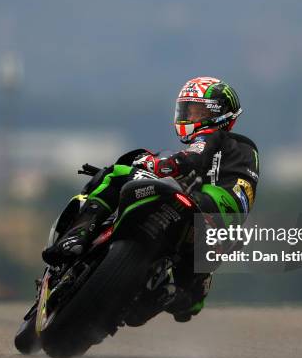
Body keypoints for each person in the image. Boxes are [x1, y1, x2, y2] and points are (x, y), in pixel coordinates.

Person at [42, 76, 259, 322]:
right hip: (223, 229)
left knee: (118, 174)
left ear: (220, 114)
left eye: (198, 110)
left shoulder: (214, 138)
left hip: (206, 207)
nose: (191, 116)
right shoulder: (242, 153)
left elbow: (192, 159)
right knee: (190, 299)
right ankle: (167, 292)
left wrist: (157, 164)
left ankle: (78, 235)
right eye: (188, 110)